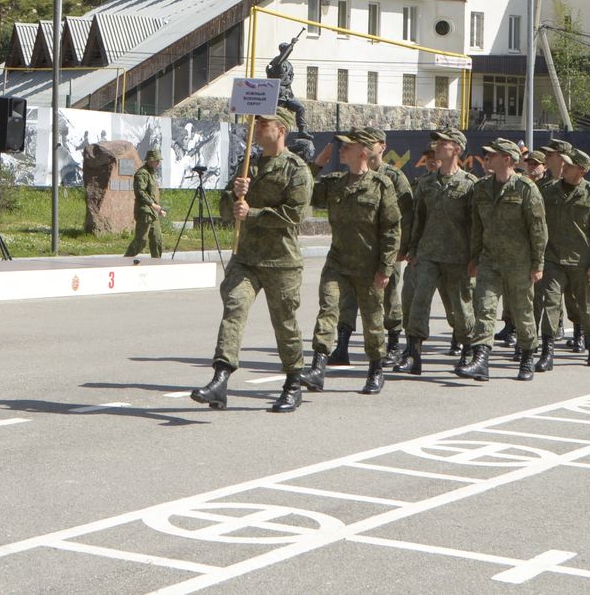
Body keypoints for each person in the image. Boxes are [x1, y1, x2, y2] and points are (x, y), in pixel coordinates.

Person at [191, 108, 312, 413]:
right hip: (246, 258)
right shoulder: (249, 164)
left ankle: (293, 382)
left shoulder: (296, 169)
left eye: (263, 123)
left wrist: (253, 213)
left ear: (281, 129)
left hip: (280, 261)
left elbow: (294, 215)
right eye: (254, 122)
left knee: (284, 323)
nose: (255, 128)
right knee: (234, 308)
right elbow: (222, 209)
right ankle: (220, 378)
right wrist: (234, 194)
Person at [299, 128, 399, 396]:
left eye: (347, 146)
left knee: (372, 321)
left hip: (369, 267)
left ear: (363, 152)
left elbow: (391, 229)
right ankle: (318, 367)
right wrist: (317, 163)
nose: (341, 149)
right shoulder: (334, 183)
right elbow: (302, 190)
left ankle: (376, 369)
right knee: (328, 310)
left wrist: (386, 268)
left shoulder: (381, 186)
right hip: (338, 263)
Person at [457, 138, 546, 382]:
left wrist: (538, 264)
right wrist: (474, 257)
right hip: (489, 260)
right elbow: (477, 226)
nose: (487, 158)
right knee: (484, 309)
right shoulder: (482, 188)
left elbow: (538, 229)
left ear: (507, 159)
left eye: (492, 155)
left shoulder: (526, 189)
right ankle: (481, 360)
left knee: (522, 312)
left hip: (519, 263)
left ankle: (527, 355)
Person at [331, 128, 413, 369]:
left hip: (386, 250)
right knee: (346, 298)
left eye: (374, 143)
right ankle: (342, 344)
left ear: (381, 147)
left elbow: (405, 216)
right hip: (354, 251)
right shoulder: (349, 175)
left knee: (388, 296)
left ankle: (394, 344)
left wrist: (402, 248)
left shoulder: (394, 178)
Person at [398, 128, 477, 375]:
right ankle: (413, 352)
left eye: (443, 143)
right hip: (427, 253)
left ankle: (467, 351)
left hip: (458, 257)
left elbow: (476, 225)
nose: (437, 146)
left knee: (461, 307)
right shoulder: (426, 183)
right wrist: (411, 248)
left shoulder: (470, 185)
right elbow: (418, 218)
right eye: (437, 142)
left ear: (457, 149)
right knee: (417, 303)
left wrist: (476, 257)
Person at [539, 148, 590, 370]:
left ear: (581, 170)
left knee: (587, 308)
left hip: (582, 262)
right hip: (553, 259)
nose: (564, 167)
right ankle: (547, 351)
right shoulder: (549, 190)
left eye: (569, 165)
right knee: (550, 304)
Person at [125, 148, 166, 261]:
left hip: (153, 212)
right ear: (150, 160)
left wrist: (158, 209)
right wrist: (153, 205)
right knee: (141, 241)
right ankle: (124, 261)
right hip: (145, 212)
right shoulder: (142, 173)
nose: (158, 163)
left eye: (159, 161)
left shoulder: (151, 173)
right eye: (156, 160)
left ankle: (157, 264)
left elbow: (151, 193)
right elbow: (140, 192)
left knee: (157, 240)